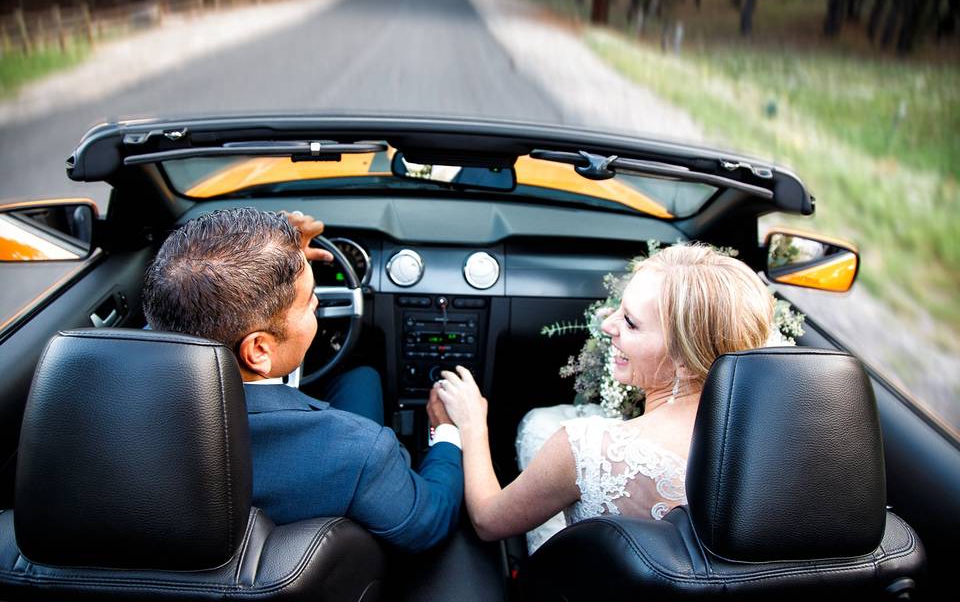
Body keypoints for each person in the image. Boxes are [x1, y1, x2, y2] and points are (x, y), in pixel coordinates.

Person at [142, 207, 463, 552]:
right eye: (309, 298)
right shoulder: (359, 454)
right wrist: (447, 430)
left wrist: (276, 255)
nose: (319, 302)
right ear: (259, 351)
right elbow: (429, 522)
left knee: (360, 378)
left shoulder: (91, 405)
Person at [433, 244, 774, 552]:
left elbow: (488, 522)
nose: (607, 325)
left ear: (683, 362)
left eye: (630, 322)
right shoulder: (784, 444)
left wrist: (472, 424)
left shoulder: (586, 450)